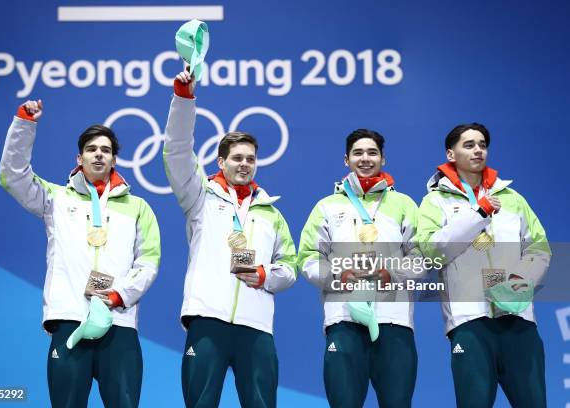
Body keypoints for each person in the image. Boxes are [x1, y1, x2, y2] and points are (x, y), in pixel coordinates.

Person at [0, 100, 161, 408]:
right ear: (79, 157)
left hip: (119, 324)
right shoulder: (56, 199)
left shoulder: (139, 208)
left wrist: (118, 296)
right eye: (91, 149)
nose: (98, 153)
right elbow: (13, 175)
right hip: (70, 320)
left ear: (114, 159)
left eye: (105, 149)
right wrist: (24, 124)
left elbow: (149, 262)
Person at [163, 69, 297, 408]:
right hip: (208, 322)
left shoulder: (271, 213)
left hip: (256, 327)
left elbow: (291, 267)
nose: (245, 164)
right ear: (220, 161)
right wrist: (183, 96)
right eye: (237, 158)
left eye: (251, 159)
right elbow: (177, 151)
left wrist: (266, 276)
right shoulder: (199, 197)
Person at [416, 123, 550, 407]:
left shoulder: (513, 199)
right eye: (469, 145)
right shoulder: (434, 202)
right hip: (470, 322)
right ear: (450, 154)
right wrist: (480, 213)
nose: (478, 150)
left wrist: (519, 281)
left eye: (482, 144)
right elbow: (432, 252)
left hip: (519, 320)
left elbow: (539, 248)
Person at [298, 129, 422, 407]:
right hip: (344, 321)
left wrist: (390, 271)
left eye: (372, 152)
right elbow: (307, 258)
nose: (365, 158)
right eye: (358, 153)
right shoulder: (326, 207)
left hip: (394, 322)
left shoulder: (404, 205)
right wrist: (337, 276)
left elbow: (422, 257)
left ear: (383, 158)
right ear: (346, 160)